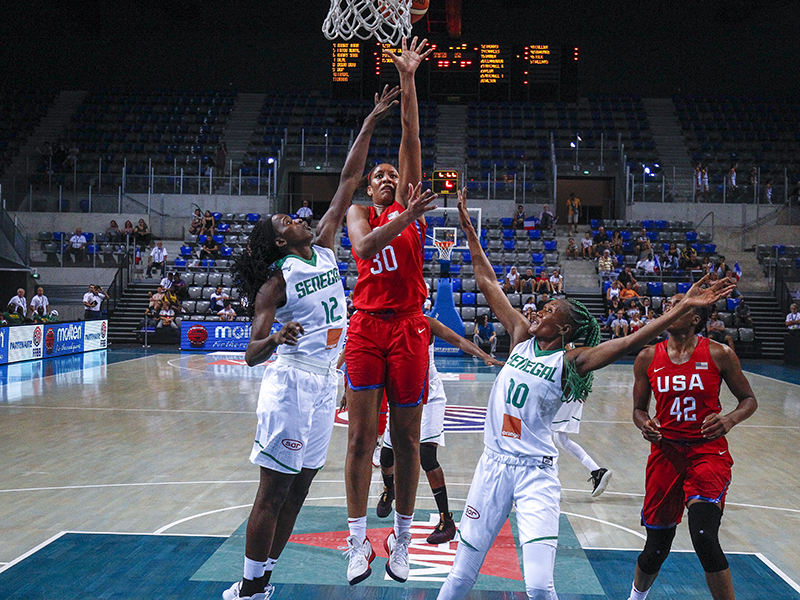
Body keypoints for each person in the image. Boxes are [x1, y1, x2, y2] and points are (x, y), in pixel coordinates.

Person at [436, 188, 734, 600]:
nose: (541, 309)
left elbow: (630, 342)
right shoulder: (521, 336)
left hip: (535, 474)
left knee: (539, 586)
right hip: (492, 468)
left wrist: (677, 309)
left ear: (564, 329)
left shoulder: (572, 361)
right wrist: (469, 230)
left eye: (551, 310)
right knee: (459, 575)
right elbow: (486, 281)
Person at [222, 85, 400, 600]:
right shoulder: (275, 282)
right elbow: (251, 354)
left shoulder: (322, 246)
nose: (297, 216)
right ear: (280, 240)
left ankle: (263, 579)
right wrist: (277, 336)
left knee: (300, 488)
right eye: (286, 220)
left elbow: (348, 178)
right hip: (290, 383)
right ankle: (250, 587)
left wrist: (370, 120)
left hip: (325, 382)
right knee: (273, 491)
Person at [341, 37, 435, 588]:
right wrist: (401, 219)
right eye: (376, 174)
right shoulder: (359, 213)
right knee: (358, 438)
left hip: (407, 327)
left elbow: (410, 135)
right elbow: (364, 249)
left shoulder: (410, 203)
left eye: (389, 175)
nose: (384, 177)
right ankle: (357, 543)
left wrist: (408, 79)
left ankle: (401, 539)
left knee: (406, 439)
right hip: (366, 326)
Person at [625, 293, 757, 600]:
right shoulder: (647, 357)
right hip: (665, 454)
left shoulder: (719, 353)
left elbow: (749, 400)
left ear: (695, 319)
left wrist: (730, 420)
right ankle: (636, 597)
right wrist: (645, 423)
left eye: (677, 308)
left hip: (707, 452)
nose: (668, 311)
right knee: (656, 547)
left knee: (704, 536)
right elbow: (638, 410)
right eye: (669, 306)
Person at [376, 317, 503, 544]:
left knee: (427, 456)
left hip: (430, 394)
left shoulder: (426, 322)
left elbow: (458, 341)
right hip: (402, 394)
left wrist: (484, 356)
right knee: (386, 456)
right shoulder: (387, 323)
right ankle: (389, 490)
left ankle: (446, 520)